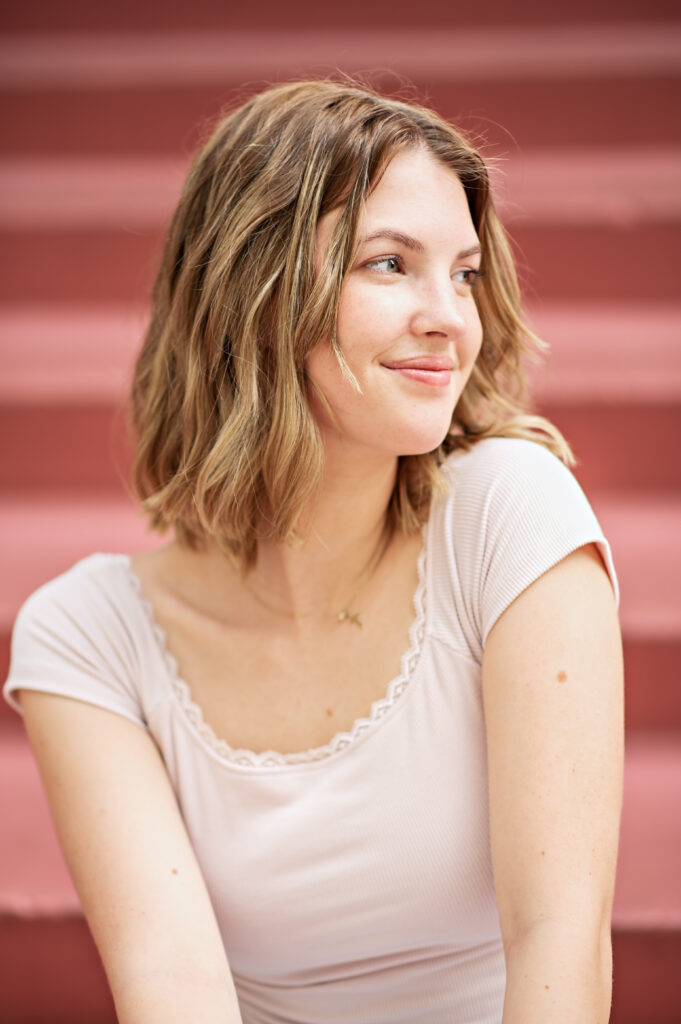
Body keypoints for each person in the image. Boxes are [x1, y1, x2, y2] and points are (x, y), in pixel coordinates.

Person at [3, 80, 624, 1023]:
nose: (451, 319)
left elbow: (560, 940)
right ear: (252, 295)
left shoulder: (510, 515)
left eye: (463, 273)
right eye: (388, 264)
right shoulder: (87, 639)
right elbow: (172, 990)